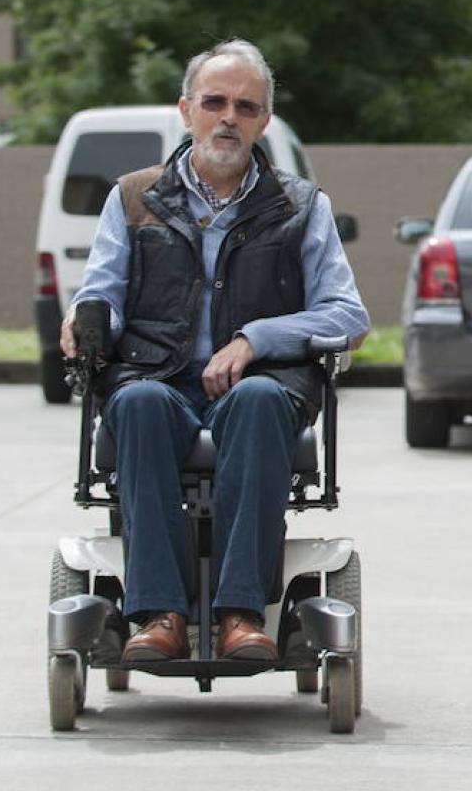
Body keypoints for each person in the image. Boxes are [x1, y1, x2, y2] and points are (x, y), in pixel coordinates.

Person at [60, 39, 368, 663]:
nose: (229, 117)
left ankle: (239, 615)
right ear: (186, 109)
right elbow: (103, 293)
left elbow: (347, 313)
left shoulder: (301, 206)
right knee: (139, 402)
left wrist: (256, 340)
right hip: (156, 376)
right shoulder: (132, 198)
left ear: (264, 122)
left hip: (262, 383)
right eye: (215, 102)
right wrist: (86, 318)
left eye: (246, 107)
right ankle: (159, 615)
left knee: (256, 400)